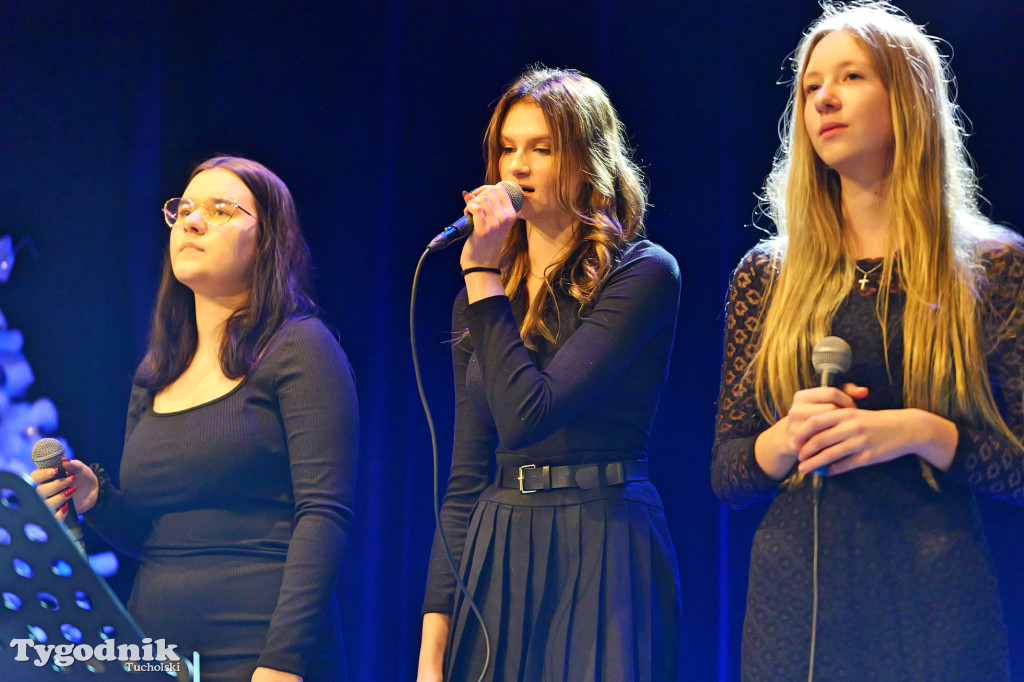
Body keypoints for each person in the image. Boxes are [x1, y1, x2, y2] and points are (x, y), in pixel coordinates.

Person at [712, 3, 1024, 680]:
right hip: (796, 603)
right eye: (810, 86)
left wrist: (918, 431)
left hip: (937, 595)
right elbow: (727, 472)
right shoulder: (767, 274)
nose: (824, 97)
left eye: (850, 77)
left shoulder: (993, 267)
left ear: (906, 99)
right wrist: (783, 439)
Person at [32, 156, 359, 682]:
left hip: (261, 653)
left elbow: (324, 515)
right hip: (159, 653)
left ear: (268, 241)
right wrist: (96, 501)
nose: (192, 220)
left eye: (221, 210)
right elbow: (154, 535)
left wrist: (282, 662)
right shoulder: (156, 372)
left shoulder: (300, 348)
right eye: (183, 208)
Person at [417, 66, 682, 682]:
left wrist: (481, 277)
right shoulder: (481, 301)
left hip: (604, 540)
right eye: (507, 149)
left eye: (542, 148)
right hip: (499, 543)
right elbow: (464, 479)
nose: (518, 167)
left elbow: (529, 416)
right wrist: (432, 653)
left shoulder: (642, 274)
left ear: (589, 161)